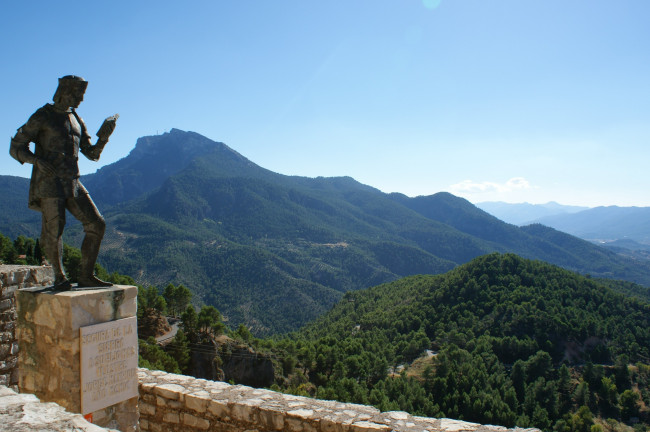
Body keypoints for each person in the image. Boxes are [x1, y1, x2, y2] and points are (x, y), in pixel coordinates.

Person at [9, 75, 117, 289]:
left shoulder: (77, 119)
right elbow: (16, 147)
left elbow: (92, 154)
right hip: (49, 181)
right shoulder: (43, 116)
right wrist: (36, 160)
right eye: (78, 94)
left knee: (97, 224)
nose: (81, 99)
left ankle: (85, 275)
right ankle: (59, 277)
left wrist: (104, 137)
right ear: (65, 91)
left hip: (72, 181)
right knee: (54, 230)